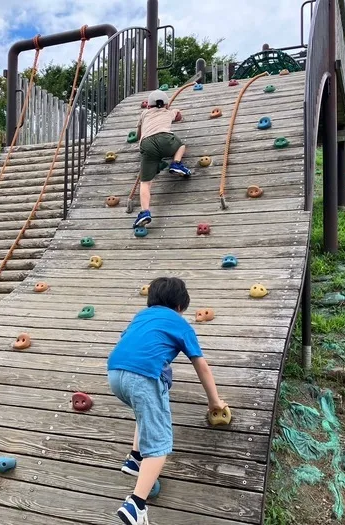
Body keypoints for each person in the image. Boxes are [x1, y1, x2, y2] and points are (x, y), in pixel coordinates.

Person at [106, 277, 228, 525]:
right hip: (142, 376)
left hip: (114, 373)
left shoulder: (141, 316)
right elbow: (201, 365)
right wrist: (214, 401)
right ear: (181, 306)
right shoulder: (180, 323)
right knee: (160, 442)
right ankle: (136, 505)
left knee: (146, 413)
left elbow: (131, 342)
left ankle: (135, 458)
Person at [133, 90, 192, 229]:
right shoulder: (168, 112)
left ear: (148, 106)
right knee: (181, 146)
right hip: (165, 139)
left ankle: (145, 212)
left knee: (145, 183)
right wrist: (175, 111)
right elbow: (178, 117)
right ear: (166, 105)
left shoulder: (144, 114)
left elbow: (138, 135)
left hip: (147, 144)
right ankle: (176, 163)